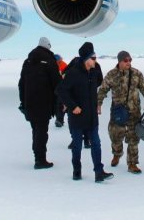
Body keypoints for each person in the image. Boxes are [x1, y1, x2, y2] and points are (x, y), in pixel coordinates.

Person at [56, 42, 113, 183]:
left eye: (95, 57)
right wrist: (72, 106)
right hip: (77, 116)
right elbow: (60, 90)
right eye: (93, 58)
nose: (95, 60)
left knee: (96, 143)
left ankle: (99, 172)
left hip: (92, 116)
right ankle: (77, 171)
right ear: (85, 59)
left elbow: (98, 82)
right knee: (77, 145)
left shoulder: (94, 71)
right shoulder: (74, 73)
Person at [97, 50, 144, 174]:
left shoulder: (136, 73)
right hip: (118, 112)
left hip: (134, 111)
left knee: (134, 138)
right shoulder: (112, 75)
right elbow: (103, 89)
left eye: (130, 60)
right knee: (115, 135)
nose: (129, 62)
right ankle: (117, 153)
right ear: (120, 61)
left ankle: (132, 163)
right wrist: (99, 103)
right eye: (126, 60)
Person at [18, 37, 61, 169]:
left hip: (30, 103)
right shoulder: (49, 60)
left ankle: (38, 157)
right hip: (44, 103)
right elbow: (56, 82)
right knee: (42, 132)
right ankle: (40, 160)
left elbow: (21, 84)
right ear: (48, 47)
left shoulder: (28, 61)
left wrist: (23, 102)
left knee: (36, 130)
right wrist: (60, 100)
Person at [54, 54, 67, 127]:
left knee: (60, 103)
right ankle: (59, 119)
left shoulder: (63, 65)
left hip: (62, 87)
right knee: (58, 104)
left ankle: (59, 120)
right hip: (57, 87)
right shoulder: (53, 65)